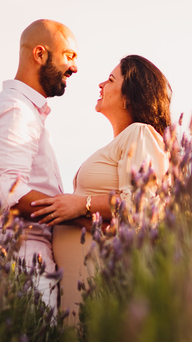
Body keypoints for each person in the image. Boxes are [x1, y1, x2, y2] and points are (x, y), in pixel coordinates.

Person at [32, 54, 172, 324]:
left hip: (99, 284)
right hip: (77, 285)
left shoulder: (140, 133)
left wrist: (81, 204)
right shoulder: (118, 143)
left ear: (129, 96)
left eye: (110, 80)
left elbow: (142, 207)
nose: (100, 84)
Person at [0, 19, 79, 310]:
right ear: (40, 55)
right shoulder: (16, 109)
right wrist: (77, 215)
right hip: (22, 260)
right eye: (69, 56)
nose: (74, 68)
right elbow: (7, 188)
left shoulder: (22, 109)